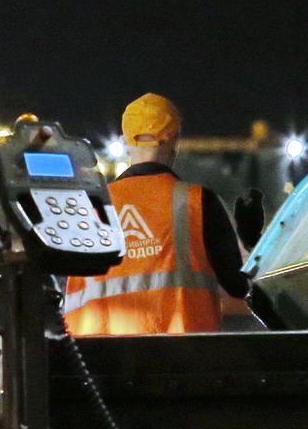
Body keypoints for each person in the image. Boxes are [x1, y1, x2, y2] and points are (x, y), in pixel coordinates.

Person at [63, 92, 252, 335]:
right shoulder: (198, 202)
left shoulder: (90, 207)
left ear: (125, 140)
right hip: (182, 361)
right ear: (174, 139)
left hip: (100, 363)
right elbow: (239, 286)